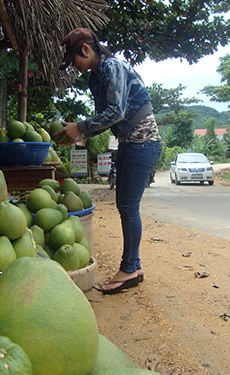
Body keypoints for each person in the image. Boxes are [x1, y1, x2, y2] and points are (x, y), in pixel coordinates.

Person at [56, 28, 162, 294]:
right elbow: (105, 117)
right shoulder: (95, 79)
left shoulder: (112, 66)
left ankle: (129, 268)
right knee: (125, 205)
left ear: (86, 50)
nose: (75, 68)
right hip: (130, 143)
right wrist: (78, 132)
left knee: (128, 206)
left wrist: (80, 126)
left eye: (74, 60)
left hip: (143, 143)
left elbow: (116, 112)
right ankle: (132, 267)